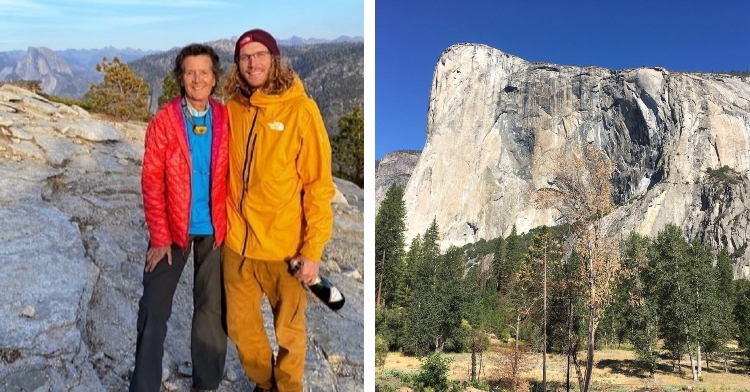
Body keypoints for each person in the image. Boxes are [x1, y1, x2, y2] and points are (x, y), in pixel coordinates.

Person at [221, 29, 335, 392]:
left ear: (274, 58)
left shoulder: (301, 110)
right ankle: (264, 383)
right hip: (237, 243)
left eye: (259, 55)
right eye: (244, 57)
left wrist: (312, 251)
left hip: (284, 249)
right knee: (240, 327)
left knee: (289, 331)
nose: (252, 63)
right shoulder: (233, 107)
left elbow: (318, 186)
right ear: (237, 64)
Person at [131, 43, 229, 392]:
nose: (197, 78)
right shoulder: (165, 121)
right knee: (153, 310)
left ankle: (206, 385)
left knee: (211, 312)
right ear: (181, 78)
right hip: (172, 229)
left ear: (215, 79)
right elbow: (151, 179)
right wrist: (159, 236)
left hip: (215, 229)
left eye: (204, 72)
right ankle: (143, 386)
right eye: (190, 72)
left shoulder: (225, 119)